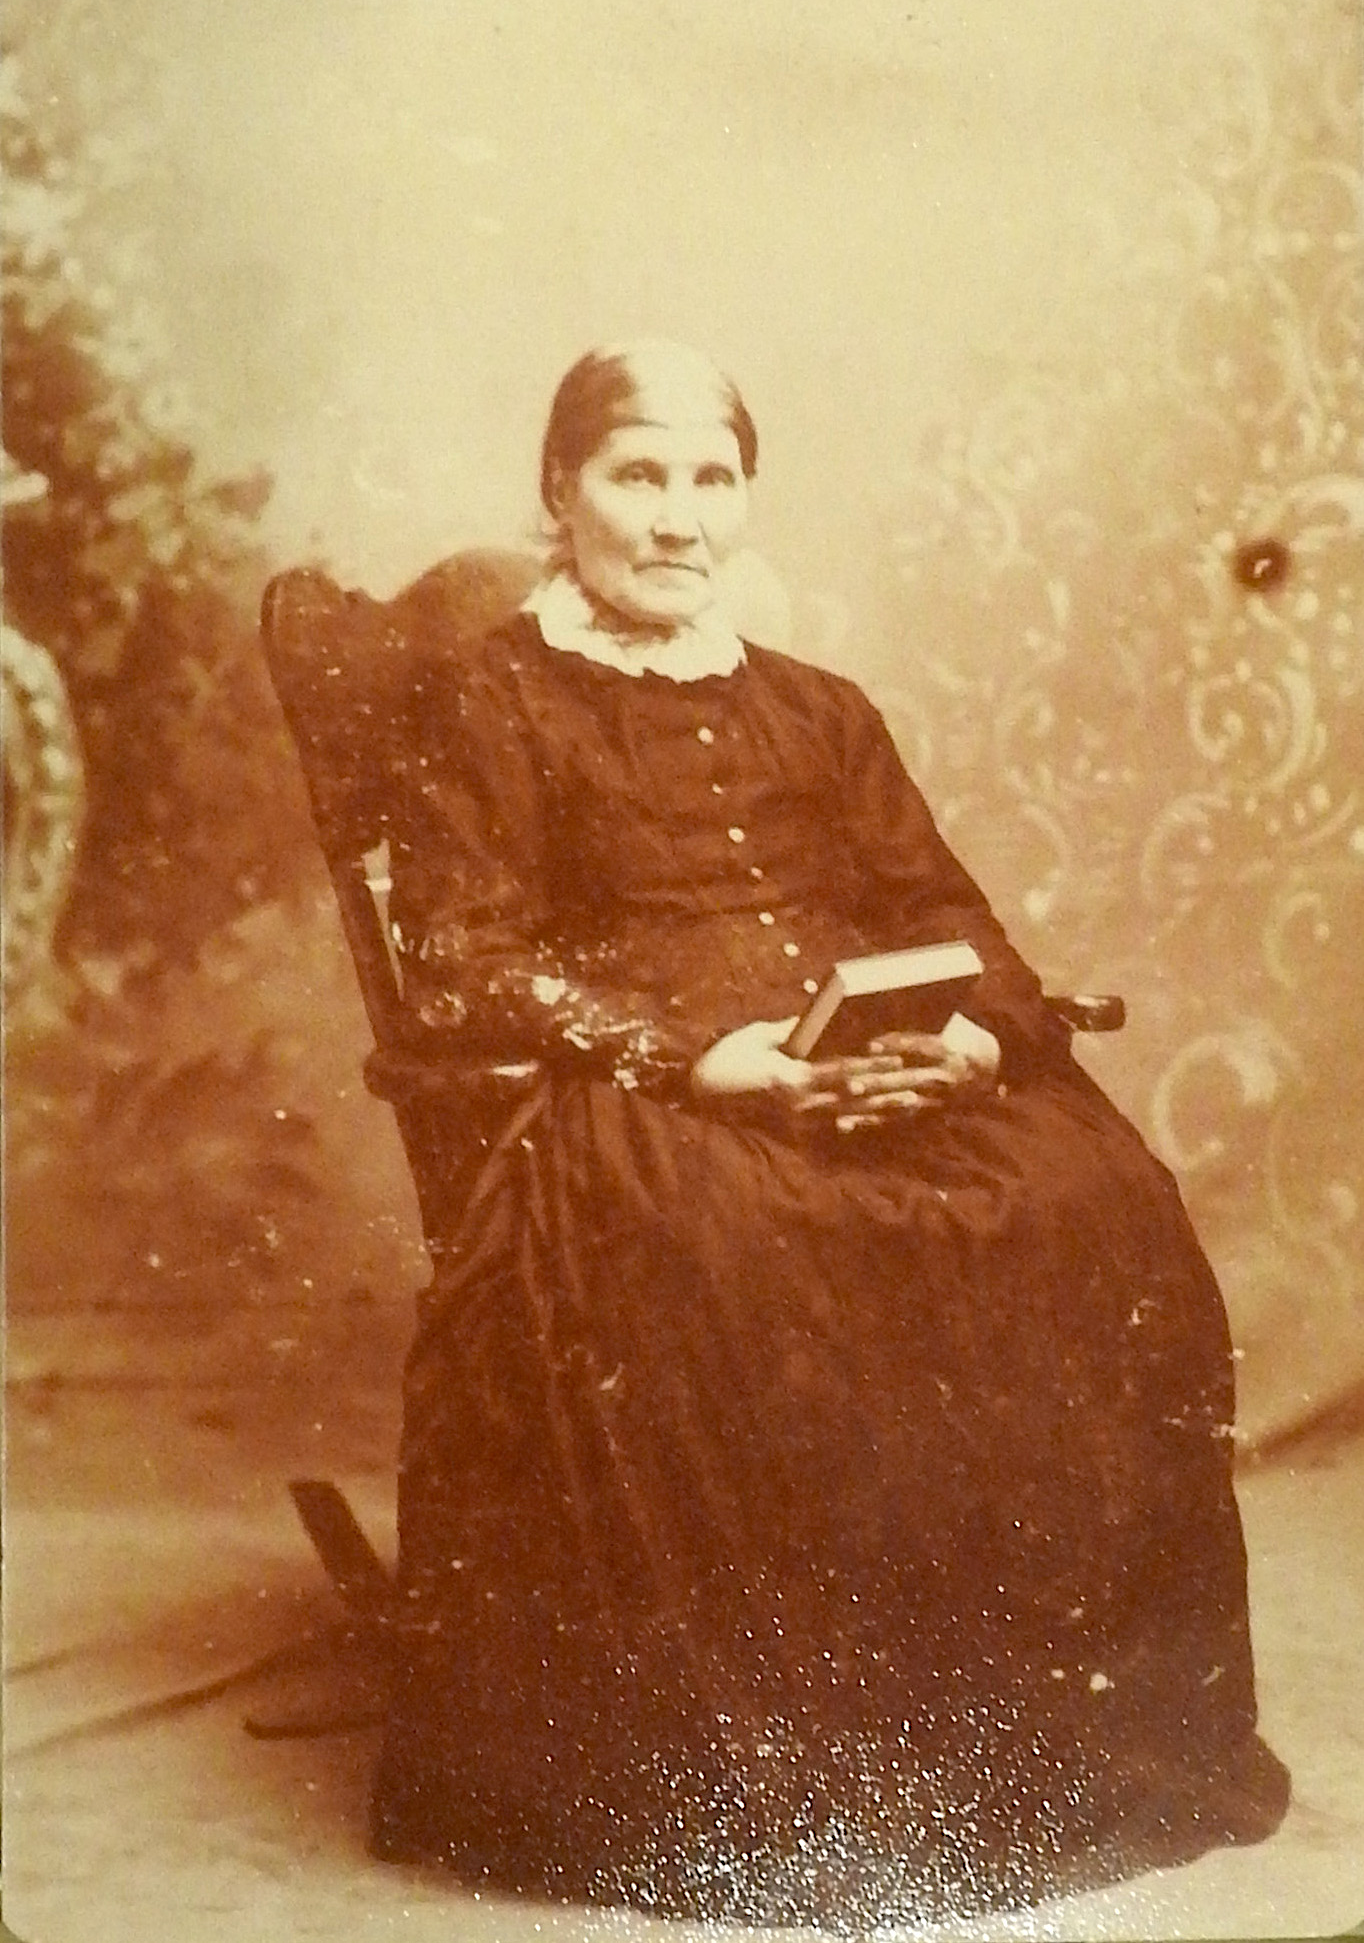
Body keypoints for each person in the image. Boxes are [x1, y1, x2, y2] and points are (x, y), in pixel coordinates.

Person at [367, 339, 1289, 1925]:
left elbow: (949, 915)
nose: (676, 518)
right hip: (655, 1095)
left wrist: (966, 1036)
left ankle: (1010, 1743)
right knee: (755, 1243)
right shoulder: (492, 697)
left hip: (869, 1072)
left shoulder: (819, 709)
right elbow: (464, 955)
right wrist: (698, 1056)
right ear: (559, 493)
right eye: (636, 475)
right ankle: (787, 1776)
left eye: (709, 477)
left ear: (746, 500)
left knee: (1088, 1195)